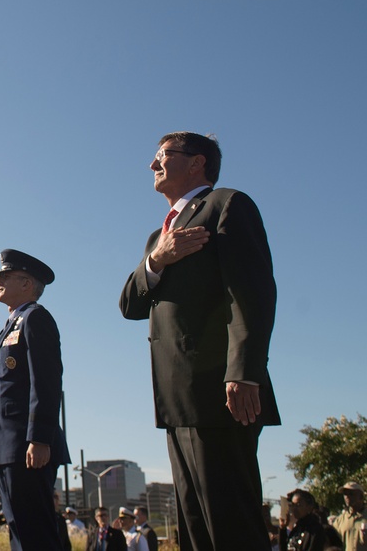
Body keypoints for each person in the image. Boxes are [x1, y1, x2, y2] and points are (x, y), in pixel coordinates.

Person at [119, 132, 280, 550]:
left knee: (231, 524)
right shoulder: (158, 238)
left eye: (163, 156)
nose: (153, 165)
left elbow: (252, 294)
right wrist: (158, 260)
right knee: (195, 528)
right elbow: (129, 305)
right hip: (176, 397)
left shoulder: (226, 205)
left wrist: (245, 372)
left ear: (197, 163)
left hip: (221, 391)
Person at [0, 249, 71, 551]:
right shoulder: (12, 324)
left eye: (5, 276)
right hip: (8, 445)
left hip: (27, 445)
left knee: (34, 533)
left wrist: (39, 439)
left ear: (26, 284)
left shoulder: (36, 318)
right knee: (20, 530)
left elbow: (47, 382)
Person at [333, 482, 367, 551]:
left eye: (351, 494)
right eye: (345, 494)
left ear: (360, 496)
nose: (347, 497)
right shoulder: (339, 520)